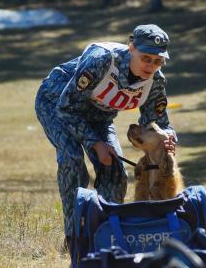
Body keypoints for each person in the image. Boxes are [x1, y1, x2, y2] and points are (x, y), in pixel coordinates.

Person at [34, 24, 177, 248]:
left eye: (158, 60)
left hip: (99, 117)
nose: (151, 65)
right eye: (146, 58)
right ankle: (75, 239)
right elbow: (67, 108)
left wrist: (168, 137)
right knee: (72, 160)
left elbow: (158, 122)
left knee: (115, 172)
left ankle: (106, 235)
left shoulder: (155, 82)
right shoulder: (101, 60)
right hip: (56, 104)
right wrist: (95, 143)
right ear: (131, 48)